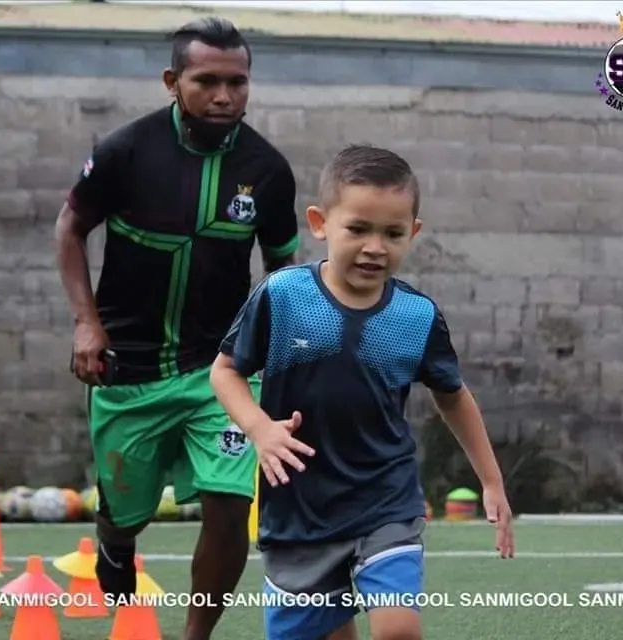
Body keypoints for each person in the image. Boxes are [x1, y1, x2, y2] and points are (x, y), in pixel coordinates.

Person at [53, 15, 300, 639]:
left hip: (221, 370)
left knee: (228, 505)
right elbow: (70, 228)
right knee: (125, 513)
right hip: (126, 369)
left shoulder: (267, 170)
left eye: (238, 83)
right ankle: (114, 540)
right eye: (207, 81)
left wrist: (284, 347)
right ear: (172, 81)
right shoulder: (124, 151)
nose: (224, 96)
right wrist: (87, 323)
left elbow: (282, 266)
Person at [210, 145, 515, 640]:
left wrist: (492, 481)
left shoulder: (416, 317)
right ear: (320, 223)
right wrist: (260, 429)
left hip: (384, 499)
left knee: (398, 629)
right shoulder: (282, 296)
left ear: (413, 234)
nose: (376, 246)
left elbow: (453, 395)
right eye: (358, 229)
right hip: (299, 511)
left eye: (393, 234)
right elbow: (225, 371)